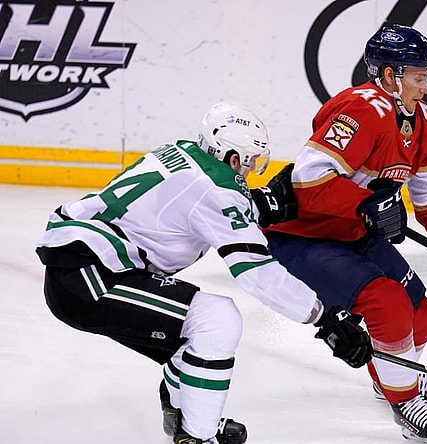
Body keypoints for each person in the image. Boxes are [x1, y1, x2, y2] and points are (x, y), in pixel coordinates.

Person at [35, 102, 373, 444]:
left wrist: (261, 204)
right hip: (91, 277)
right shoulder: (217, 191)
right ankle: (197, 435)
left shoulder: (179, 152)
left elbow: (199, 202)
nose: (251, 170)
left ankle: (185, 411)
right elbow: (256, 270)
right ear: (231, 157)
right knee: (215, 320)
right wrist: (323, 315)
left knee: (195, 335)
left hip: (85, 266)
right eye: (250, 162)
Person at [264, 24, 427, 443]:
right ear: (388, 75)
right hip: (302, 236)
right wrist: (368, 204)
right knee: (388, 304)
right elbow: (309, 181)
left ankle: (394, 376)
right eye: (419, 76)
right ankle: (403, 399)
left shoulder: (423, 123)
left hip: (352, 233)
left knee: (423, 318)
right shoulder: (360, 110)